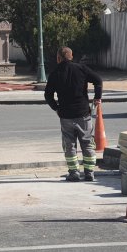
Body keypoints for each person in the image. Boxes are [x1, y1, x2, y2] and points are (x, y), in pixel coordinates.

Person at [44, 47, 102, 182]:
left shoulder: (55, 73)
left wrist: (56, 108)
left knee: (69, 145)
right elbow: (98, 80)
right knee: (87, 143)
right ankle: (89, 172)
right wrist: (97, 98)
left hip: (65, 115)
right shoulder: (81, 69)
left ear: (58, 58)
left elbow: (48, 95)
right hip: (83, 114)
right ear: (71, 56)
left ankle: (74, 172)